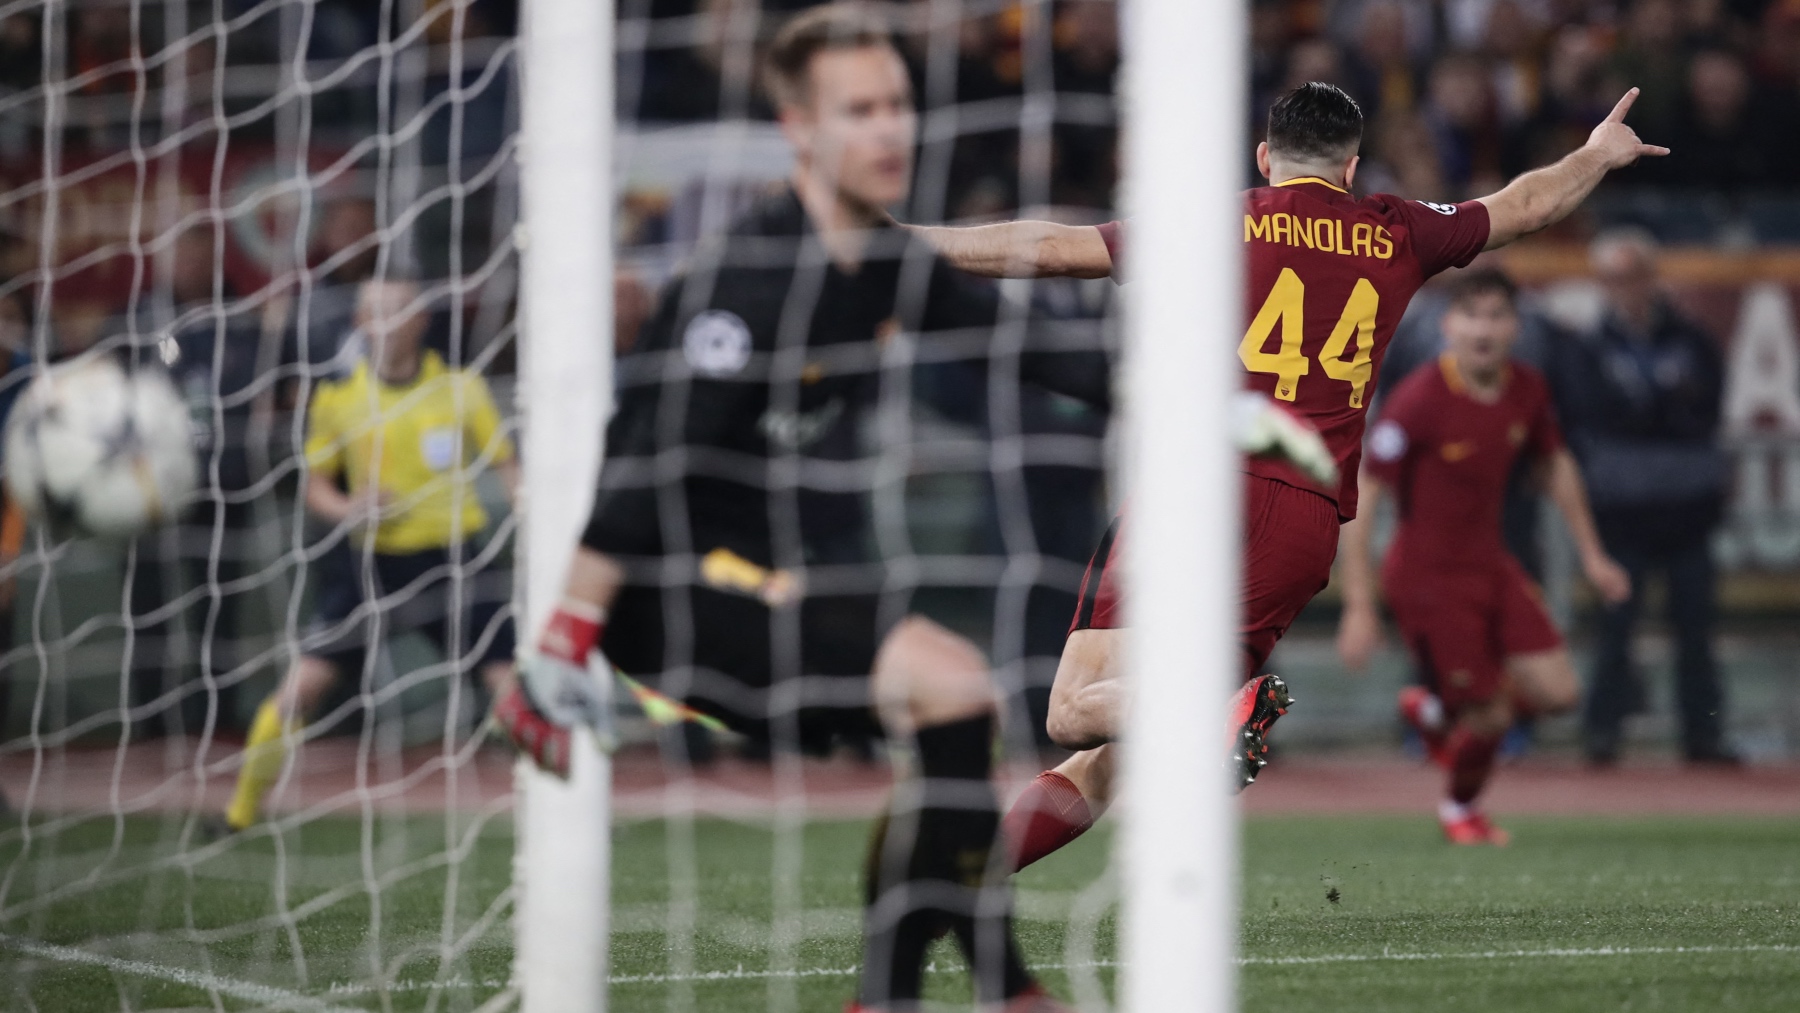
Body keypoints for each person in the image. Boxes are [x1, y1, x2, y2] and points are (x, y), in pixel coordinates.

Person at [899, 79, 1667, 871]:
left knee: (1070, 711)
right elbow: (1527, 204)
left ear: (1266, 156)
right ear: (1353, 167)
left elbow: (1053, 248)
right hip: (1303, 521)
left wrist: (904, 244)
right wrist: (1594, 156)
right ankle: (971, 873)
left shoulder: (1221, 218)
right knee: (1116, 752)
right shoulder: (1397, 228)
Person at [493, 8, 1073, 1011]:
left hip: (757, 566)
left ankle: (934, 996)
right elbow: (644, 462)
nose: (891, 128)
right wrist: (563, 634)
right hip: (660, 584)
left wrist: (1205, 390)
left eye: (898, 104)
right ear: (799, 127)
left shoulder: (883, 260)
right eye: (861, 110)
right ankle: (992, 992)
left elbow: (1039, 352)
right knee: (951, 687)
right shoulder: (746, 277)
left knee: (956, 709)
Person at [211, 276, 520, 834]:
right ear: (358, 324)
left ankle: (563, 819)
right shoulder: (339, 400)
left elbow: (508, 467)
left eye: (395, 311)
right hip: (368, 568)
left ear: (419, 321)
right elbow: (316, 487)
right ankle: (239, 814)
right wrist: (352, 507)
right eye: (371, 312)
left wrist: (529, 505)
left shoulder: (460, 389)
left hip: (452, 564)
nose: (382, 323)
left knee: (512, 684)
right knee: (300, 687)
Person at [1335, 268, 1631, 845]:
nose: (1484, 329)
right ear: (1448, 326)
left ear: (1516, 327)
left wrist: (1594, 556)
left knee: (1561, 694)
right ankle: (1458, 810)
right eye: (1472, 316)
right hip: (1426, 576)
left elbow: (1555, 465)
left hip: (1493, 565)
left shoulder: (1527, 389)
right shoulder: (1418, 398)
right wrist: (1358, 603)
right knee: (1492, 718)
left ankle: (1439, 708)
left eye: (1497, 316)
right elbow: (1365, 497)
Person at [1552, 229, 1733, 765]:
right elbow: (1589, 414)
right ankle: (1603, 733)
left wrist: (1647, 411)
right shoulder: (1587, 347)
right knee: (1615, 628)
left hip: (1686, 508)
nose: (1624, 289)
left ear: (1652, 278)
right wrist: (1658, 408)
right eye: (1613, 279)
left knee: (1697, 629)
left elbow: (1704, 409)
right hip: (1621, 510)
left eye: (1633, 277)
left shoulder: (1692, 338)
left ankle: (1704, 736)